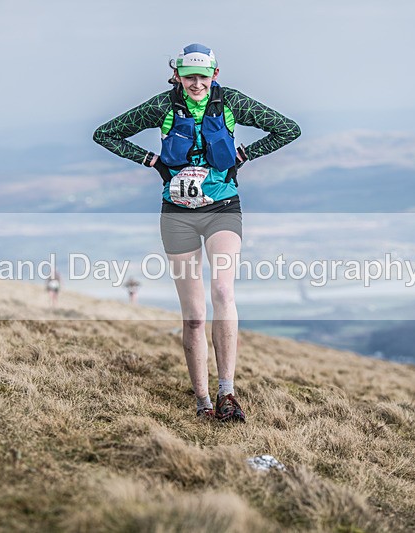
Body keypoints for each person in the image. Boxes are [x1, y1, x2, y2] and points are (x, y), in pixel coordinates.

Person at [93, 43, 300, 422]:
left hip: (223, 208)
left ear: (214, 76)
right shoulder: (163, 105)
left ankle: (227, 393)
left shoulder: (232, 101)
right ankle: (203, 402)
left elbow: (288, 129)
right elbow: (105, 133)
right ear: (178, 75)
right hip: (178, 214)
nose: (196, 83)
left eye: (203, 76)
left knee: (222, 291)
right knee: (193, 315)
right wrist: (151, 161)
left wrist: (244, 155)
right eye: (189, 76)